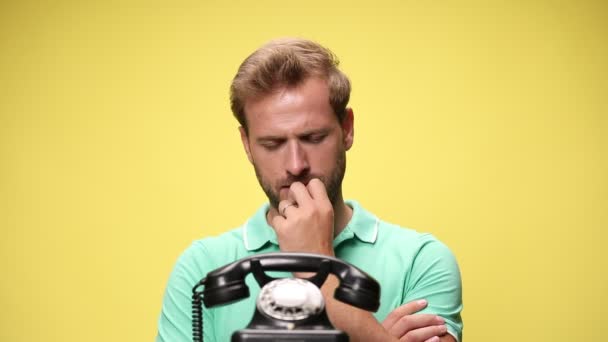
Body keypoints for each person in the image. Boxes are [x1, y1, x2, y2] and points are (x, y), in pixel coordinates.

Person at [156, 38, 463, 342]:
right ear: (247, 145)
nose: (295, 165)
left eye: (313, 137)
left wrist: (316, 261)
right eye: (272, 144)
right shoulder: (200, 267)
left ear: (347, 129)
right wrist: (378, 337)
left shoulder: (421, 260)